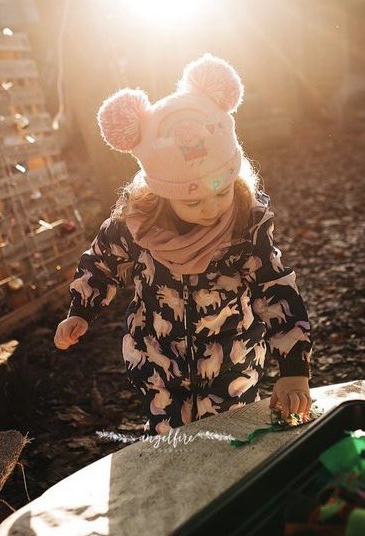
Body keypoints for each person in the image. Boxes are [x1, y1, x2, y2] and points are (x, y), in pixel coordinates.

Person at [54, 54, 312, 435]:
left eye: (221, 192)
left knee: (234, 443)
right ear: (161, 194)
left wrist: (293, 371)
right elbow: (102, 262)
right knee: (173, 453)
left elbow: (275, 289)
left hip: (232, 366)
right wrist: (81, 309)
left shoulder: (245, 223)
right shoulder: (136, 224)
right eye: (192, 201)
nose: (211, 209)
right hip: (158, 365)